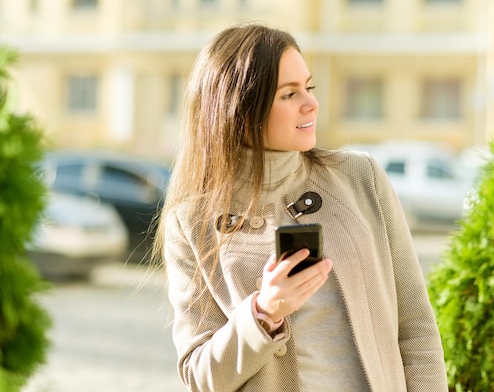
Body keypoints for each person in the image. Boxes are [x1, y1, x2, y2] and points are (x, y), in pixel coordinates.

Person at [154, 22, 448, 392]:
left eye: (308, 87)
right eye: (289, 94)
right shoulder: (192, 222)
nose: (312, 103)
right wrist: (263, 314)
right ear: (240, 110)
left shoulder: (361, 177)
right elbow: (200, 375)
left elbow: (417, 327)